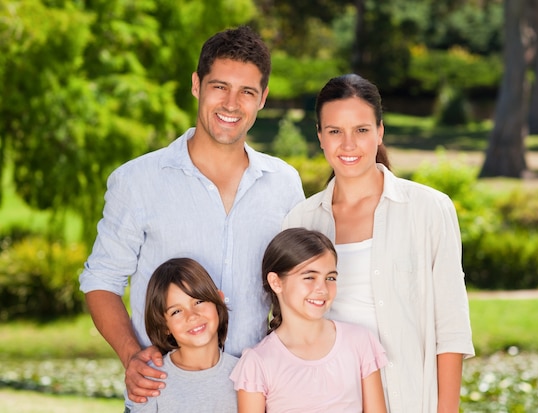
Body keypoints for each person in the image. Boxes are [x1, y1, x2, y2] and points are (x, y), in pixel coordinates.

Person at [79, 25, 304, 410]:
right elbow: (100, 281)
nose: (231, 104)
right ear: (197, 84)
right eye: (220, 86)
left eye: (247, 91)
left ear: (263, 98)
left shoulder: (283, 183)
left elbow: (300, 283)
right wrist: (131, 355)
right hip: (166, 399)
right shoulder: (137, 181)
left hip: (258, 400)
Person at [282, 74, 475, 412]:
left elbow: (451, 328)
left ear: (380, 131)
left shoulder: (429, 210)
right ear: (319, 137)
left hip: (410, 398)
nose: (348, 145)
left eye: (361, 130)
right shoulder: (302, 220)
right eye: (335, 132)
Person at [230, 228, 388, 412]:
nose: (322, 288)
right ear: (276, 282)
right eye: (309, 277)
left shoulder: (359, 341)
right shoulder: (258, 362)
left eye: (330, 277)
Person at [132, 258, 238, 412]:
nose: (192, 315)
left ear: (219, 300)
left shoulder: (245, 373)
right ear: (163, 325)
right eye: (176, 311)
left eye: (199, 301)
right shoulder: (149, 380)